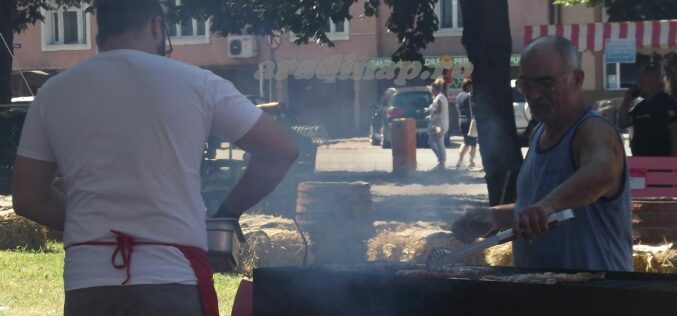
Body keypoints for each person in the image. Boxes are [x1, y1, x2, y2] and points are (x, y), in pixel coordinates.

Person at [11, 0, 299, 315]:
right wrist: (225, 214)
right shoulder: (198, 83)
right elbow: (280, 151)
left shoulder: (54, 92)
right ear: (155, 26)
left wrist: (92, 223)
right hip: (174, 280)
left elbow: (29, 198)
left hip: (89, 284)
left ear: (99, 30)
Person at [451, 36, 632, 272]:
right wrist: (494, 216)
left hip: (596, 297)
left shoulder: (593, 130)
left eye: (546, 83)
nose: (534, 95)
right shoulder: (539, 134)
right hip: (542, 294)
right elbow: (536, 212)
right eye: (526, 85)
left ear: (577, 79)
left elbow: (601, 173)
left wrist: (547, 205)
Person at [618, 67, 677, 156]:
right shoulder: (640, 106)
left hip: (662, 161)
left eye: (642, 82)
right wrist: (626, 100)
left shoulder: (667, 102)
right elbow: (623, 123)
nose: (639, 86)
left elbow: (674, 132)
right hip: (641, 160)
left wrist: (673, 160)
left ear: (653, 83)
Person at [454, 78, 478, 169]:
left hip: (461, 120)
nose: (473, 88)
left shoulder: (459, 96)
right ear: (468, 86)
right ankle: (465, 161)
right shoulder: (470, 96)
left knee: (468, 141)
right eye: (471, 86)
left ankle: (466, 161)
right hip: (470, 121)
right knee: (470, 142)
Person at [427, 78, 450, 169]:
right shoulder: (439, 97)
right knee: (438, 142)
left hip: (439, 124)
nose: (431, 91)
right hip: (439, 124)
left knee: (434, 142)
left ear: (435, 90)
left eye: (432, 90)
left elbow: (439, 110)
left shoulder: (439, 97)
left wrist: (431, 109)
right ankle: (441, 162)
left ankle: (441, 161)